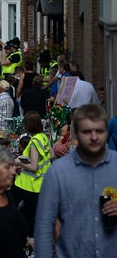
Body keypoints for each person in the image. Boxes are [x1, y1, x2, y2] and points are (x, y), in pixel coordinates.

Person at [34, 104, 117, 258]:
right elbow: (44, 225)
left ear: (107, 132)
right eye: (87, 131)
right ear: (76, 134)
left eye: (99, 131)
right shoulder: (58, 172)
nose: (94, 137)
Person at [12, 111, 51, 240]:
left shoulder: (34, 141)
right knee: (34, 215)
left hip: (28, 185)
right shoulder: (43, 137)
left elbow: (33, 167)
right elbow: (52, 155)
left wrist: (20, 163)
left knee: (15, 209)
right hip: (42, 184)